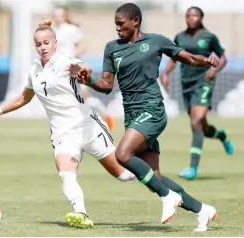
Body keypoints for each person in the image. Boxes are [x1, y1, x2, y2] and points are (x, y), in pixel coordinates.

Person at [74, 3, 219, 232]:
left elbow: (187, 58)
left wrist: (207, 60)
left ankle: (167, 197)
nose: (117, 28)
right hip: (132, 115)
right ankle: (203, 210)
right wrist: (88, 80)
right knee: (156, 178)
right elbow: (106, 85)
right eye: (116, 24)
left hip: (152, 110)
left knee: (122, 154)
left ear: (135, 21)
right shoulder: (112, 48)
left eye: (121, 24)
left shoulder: (156, 41)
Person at [0, 18, 135, 230]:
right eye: (39, 44)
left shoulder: (65, 61)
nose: (43, 47)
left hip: (87, 127)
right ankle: (81, 213)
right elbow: (24, 97)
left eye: (46, 43)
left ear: (55, 43)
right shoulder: (34, 70)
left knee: (124, 175)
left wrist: (83, 71)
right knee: (66, 174)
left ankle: (156, 177)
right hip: (62, 133)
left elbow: (83, 67)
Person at [161, 6, 234, 180]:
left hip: (204, 82)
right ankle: (221, 135)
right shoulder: (180, 37)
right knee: (203, 127)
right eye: (188, 15)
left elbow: (223, 57)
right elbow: (174, 57)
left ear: (201, 18)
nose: (191, 18)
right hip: (186, 84)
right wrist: (165, 73)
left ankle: (193, 168)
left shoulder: (209, 37)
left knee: (196, 122)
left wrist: (213, 71)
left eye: (195, 15)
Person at [53, 5, 116, 132]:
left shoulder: (71, 29)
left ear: (65, 16)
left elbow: (83, 46)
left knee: (84, 98)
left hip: (73, 68)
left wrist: (71, 57)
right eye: (56, 15)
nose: (57, 18)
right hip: (61, 70)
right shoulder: (55, 30)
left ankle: (106, 114)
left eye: (60, 15)